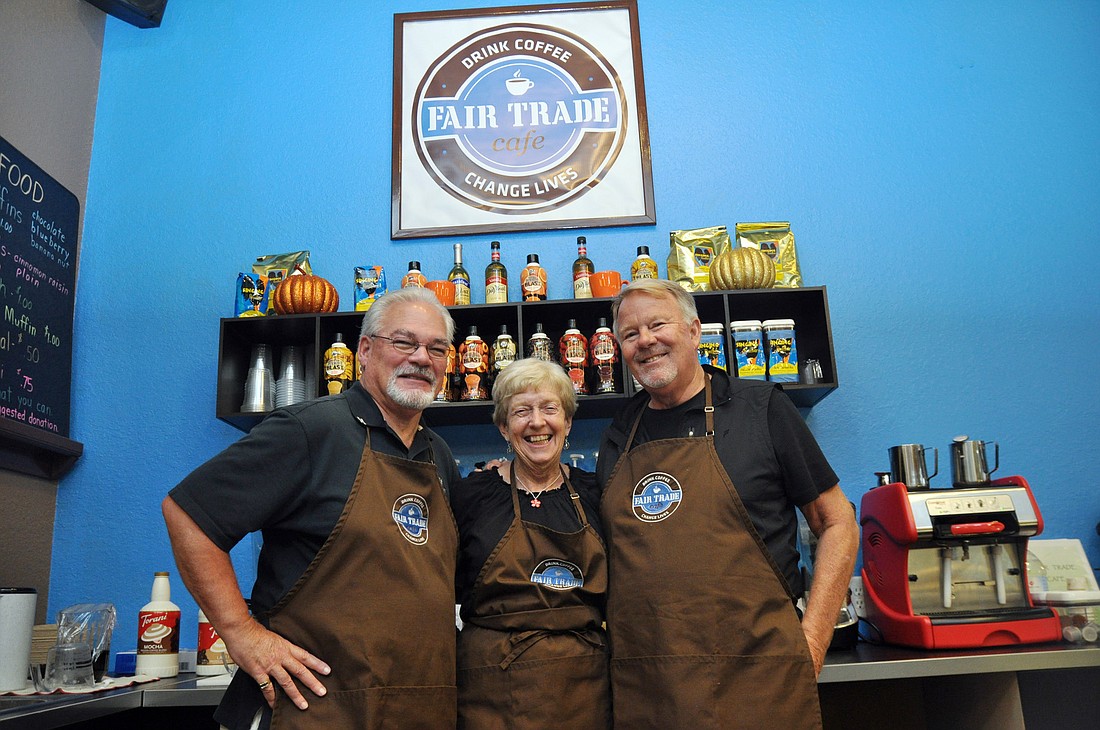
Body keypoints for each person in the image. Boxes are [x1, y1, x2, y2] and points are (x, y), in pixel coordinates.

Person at [163, 287, 461, 730]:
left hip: (415, 709)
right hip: (313, 709)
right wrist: (241, 634)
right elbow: (189, 513)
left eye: (437, 349)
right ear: (364, 350)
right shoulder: (309, 430)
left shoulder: (439, 456)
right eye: (404, 342)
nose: (422, 357)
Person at [596, 279, 859, 729]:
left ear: (695, 331)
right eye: (630, 334)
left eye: (658, 324)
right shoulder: (621, 429)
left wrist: (814, 640)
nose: (646, 341)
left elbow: (838, 522)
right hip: (651, 687)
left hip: (758, 681)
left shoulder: (762, 408)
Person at [452, 358, 610, 729]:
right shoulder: (471, 495)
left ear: (567, 422)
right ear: (504, 428)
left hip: (583, 688)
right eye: (521, 411)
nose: (537, 422)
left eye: (549, 409)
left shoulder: (597, 493)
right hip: (491, 690)